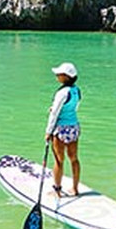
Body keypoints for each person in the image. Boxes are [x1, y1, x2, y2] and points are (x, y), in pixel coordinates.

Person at [44, 62, 81, 197]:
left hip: (60, 129)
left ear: (66, 77)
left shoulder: (62, 92)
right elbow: (74, 108)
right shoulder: (76, 90)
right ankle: (75, 189)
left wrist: (48, 132)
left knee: (59, 160)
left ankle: (57, 191)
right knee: (74, 158)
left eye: (59, 74)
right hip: (74, 126)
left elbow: (55, 114)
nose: (57, 75)